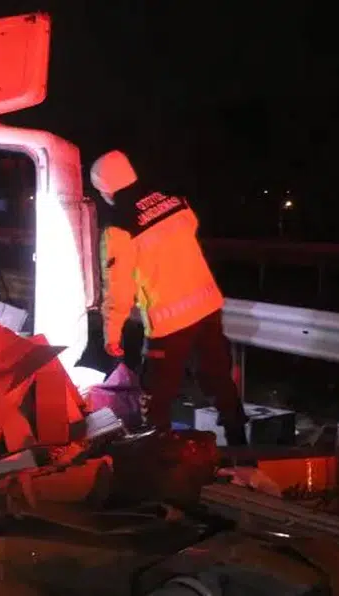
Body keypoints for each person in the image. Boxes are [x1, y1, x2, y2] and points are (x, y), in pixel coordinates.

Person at [91, 149, 248, 445]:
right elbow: (188, 232)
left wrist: (112, 335)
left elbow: (117, 288)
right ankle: (241, 446)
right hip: (207, 308)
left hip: (169, 322)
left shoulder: (119, 228)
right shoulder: (175, 203)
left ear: (105, 189)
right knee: (217, 378)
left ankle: (158, 456)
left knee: (156, 392)